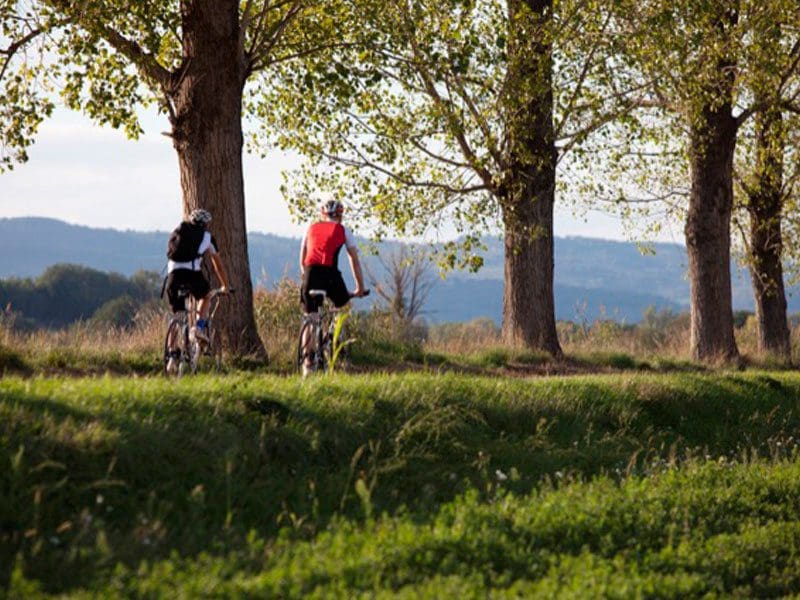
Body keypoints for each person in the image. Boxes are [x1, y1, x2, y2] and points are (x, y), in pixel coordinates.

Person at [299, 197, 367, 376]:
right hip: (330, 274)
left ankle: (307, 364)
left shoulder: (311, 228)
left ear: (322, 214)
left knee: (310, 317)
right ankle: (334, 341)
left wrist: (306, 276)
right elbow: (354, 261)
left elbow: (303, 257)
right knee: (341, 305)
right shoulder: (344, 230)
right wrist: (359, 288)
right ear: (341, 215)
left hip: (310, 273)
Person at [164, 208, 230, 373]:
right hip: (192, 274)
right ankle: (198, 328)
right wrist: (225, 285)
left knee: (178, 316)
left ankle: (172, 356)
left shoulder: (178, 231)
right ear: (206, 224)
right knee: (206, 295)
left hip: (172, 276)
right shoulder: (208, 237)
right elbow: (217, 266)